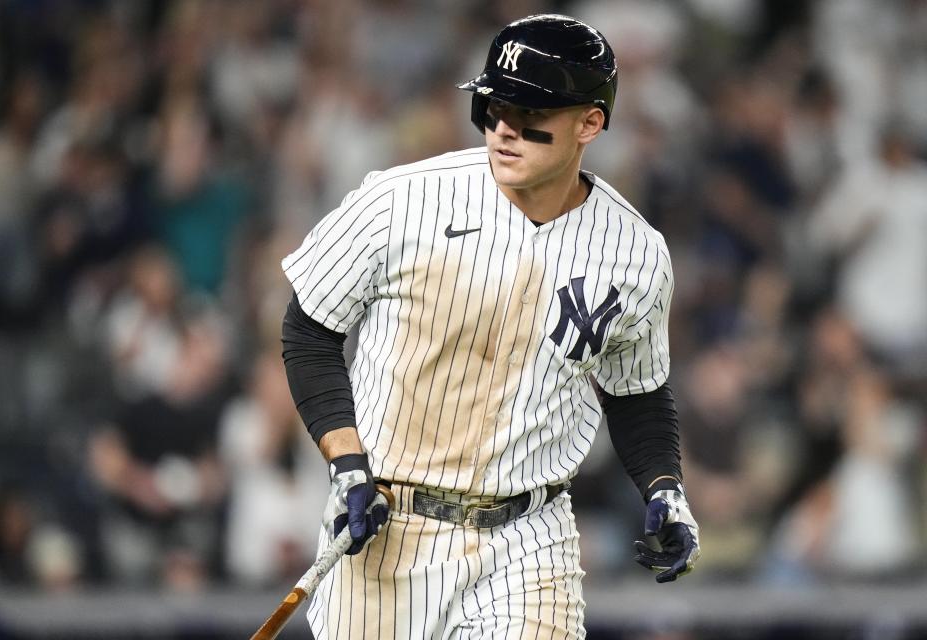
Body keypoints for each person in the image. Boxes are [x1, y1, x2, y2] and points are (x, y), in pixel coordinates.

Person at [280, 14, 699, 639]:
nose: (504, 129)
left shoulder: (636, 253)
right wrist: (346, 464)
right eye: (492, 108)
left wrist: (665, 490)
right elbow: (309, 332)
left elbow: (637, 392)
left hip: (530, 540)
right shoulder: (401, 200)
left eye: (531, 114)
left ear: (590, 123)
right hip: (390, 524)